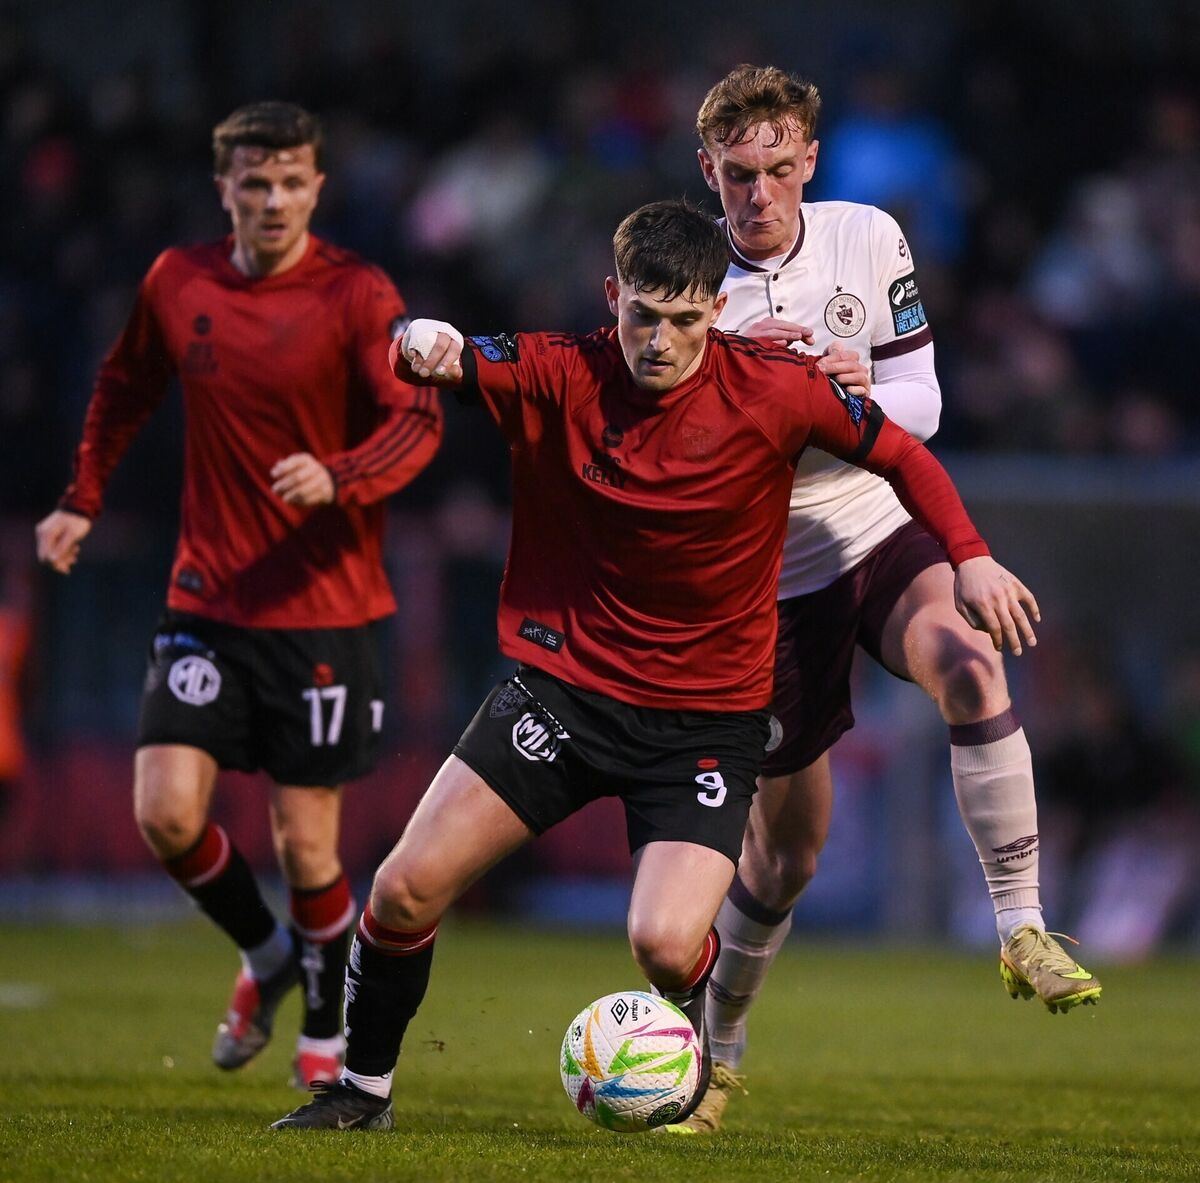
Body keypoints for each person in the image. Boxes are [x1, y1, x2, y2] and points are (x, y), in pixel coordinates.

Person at [270, 198, 1037, 1131]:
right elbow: (452, 354)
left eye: (683, 318)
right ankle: (363, 1090)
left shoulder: (777, 388)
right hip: (563, 696)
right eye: (643, 314)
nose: (660, 340)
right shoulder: (565, 369)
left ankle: (703, 1042)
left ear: (717, 309)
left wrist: (970, 555)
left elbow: (904, 455)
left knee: (665, 945)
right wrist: (417, 340)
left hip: (705, 726)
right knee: (400, 888)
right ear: (613, 297)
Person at [671, 64, 1101, 1134]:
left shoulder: (867, 234)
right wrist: (731, 386)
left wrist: (835, 384)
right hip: (765, 581)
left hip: (874, 526)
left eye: (778, 169)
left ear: (810, 161)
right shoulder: (680, 278)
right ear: (707, 172)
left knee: (967, 657)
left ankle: (1021, 925)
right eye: (737, 176)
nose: (759, 194)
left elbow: (926, 398)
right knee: (787, 854)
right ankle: (719, 1050)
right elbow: (654, 435)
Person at [34, 102, 442, 1090]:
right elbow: (124, 384)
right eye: (252, 183)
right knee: (167, 814)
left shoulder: (356, 293)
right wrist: (80, 501)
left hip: (326, 610)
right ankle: (263, 951)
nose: (270, 200)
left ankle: (325, 1026)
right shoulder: (180, 281)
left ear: (317, 189)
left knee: (307, 842)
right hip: (208, 599)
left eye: (289, 182)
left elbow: (418, 417)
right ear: (225, 189)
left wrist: (339, 475)